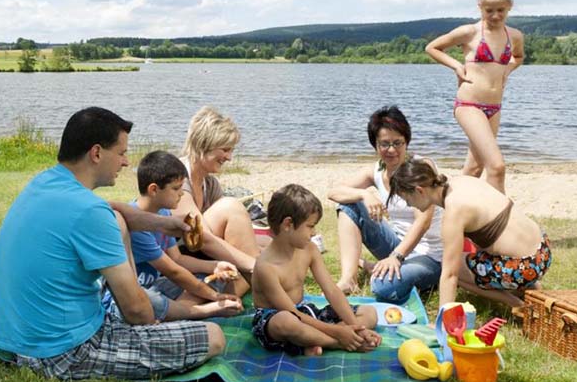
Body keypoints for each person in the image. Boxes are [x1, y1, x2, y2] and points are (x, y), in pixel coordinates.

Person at [0, 107, 225, 381]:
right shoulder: (89, 213)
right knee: (214, 337)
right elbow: (136, 311)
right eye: (122, 153)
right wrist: (156, 327)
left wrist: (163, 224)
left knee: (118, 220)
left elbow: (111, 210)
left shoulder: (44, 183)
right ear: (97, 153)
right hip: (63, 352)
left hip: (17, 341)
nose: (125, 162)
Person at [389, 158, 552, 309]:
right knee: (465, 258)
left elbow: (450, 274)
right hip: (543, 252)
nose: (409, 204)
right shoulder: (463, 181)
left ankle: (515, 303)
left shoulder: (453, 212)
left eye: (406, 198)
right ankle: (528, 287)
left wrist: (443, 320)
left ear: (419, 191)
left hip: (524, 267)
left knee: (453, 267)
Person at [107, 150, 244, 320]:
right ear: (154, 190)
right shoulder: (136, 226)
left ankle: (177, 312)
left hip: (156, 285)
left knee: (206, 279)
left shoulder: (163, 213)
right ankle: (197, 312)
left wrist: (215, 266)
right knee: (154, 300)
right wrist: (214, 297)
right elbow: (173, 271)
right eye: (176, 188)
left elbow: (178, 259)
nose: (181, 194)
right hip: (134, 295)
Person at [328, 106, 443, 303]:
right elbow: (333, 192)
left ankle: (382, 269)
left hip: (428, 255)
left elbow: (423, 222)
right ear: (375, 145)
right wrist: (363, 193)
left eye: (397, 143)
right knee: (350, 205)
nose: (391, 150)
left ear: (406, 141)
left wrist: (396, 258)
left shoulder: (420, 167)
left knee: (382, 287)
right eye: (385, 144)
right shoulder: (376, 171)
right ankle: (349, 279)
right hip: (396, 244)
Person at [252, 184, 382, 356]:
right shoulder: (266, 267)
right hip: (277, 317)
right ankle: (336, 342)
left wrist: (356, 328)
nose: (314, 232)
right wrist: (337, 333)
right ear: (288, 224)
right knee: (287, 323)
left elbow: (331, 290)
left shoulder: (309, 249)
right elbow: (291, 312)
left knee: (369, 312)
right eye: (310, 226)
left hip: (304, 312)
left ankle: (314, 340)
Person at [425, 0, 524, 193]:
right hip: (469, 104)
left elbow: (518, 57)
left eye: (501, 10)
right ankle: (501, 225)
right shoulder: (469, 32)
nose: (495, 15)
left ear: (510, 6)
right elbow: (433, 48)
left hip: (494, 108)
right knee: (496, 167)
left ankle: (450, 213)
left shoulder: (514, 36)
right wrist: (457, 66)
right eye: (489, 10)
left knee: (473, 169)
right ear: (480, 5)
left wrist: (507, 70)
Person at [174, 106, 261, 292]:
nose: (229, 157)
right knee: (231, 207)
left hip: (197, 251)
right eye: (225, 150)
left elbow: (232, 233)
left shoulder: (210, 184)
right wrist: (255, 265)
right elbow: (199, 238)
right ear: (204, 144)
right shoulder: (177, 178)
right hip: (179, 254)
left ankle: (235, 291)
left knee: (267, 246)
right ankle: (257, 284)